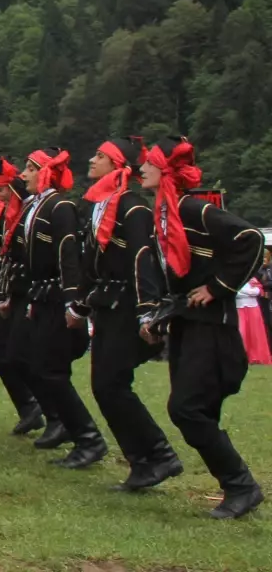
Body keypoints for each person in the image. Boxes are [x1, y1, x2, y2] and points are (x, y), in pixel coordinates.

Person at [140, 136, 264, 518]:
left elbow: (250, 238)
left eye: (148, 163)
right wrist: (159, 316)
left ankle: (241, 486)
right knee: (192, 409)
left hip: (212, 326)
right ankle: (238, 485)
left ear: (165, 171)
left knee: (187, 408)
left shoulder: (194, 210)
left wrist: (217, 287)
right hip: (188, 324)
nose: (140, 169)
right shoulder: (166, 215)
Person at [79, 137, 182, 490]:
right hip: (108, 304)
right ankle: (145, 460)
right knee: (104, 386)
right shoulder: (100, 203)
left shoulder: (132, 207)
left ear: (115, 164)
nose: (91, 161)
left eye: (99, 156)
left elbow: (143, 261)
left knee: (112, 384)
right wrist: (81, 302)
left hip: (127, 305)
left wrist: (147, 312)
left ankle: (158, 455)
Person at [17, 147, 107, 469]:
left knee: (51, 371)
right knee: (40, 367)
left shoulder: (61, 206)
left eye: (29, 169)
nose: (22, 174)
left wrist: (74, 302)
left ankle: (88, 437)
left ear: (45, 173)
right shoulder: (38, 206)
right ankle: (69, 427)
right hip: (42, 296)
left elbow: (69, 256)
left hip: (58, 298)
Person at [0, 159, 43, 436]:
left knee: (17, 354)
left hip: (22, 291)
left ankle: (44, 409)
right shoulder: (4, 215)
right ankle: (31, 406)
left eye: (0, 190)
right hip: (5, 291)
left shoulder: (23, 213)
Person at [237, 276, 272, 365]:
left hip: (253, 308)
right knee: (242, 332)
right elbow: (235, 294)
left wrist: (242, 291)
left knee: (255, 333)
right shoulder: (234, 279)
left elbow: (257, 291)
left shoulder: (252, 279)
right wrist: (249, 292)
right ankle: (242, 357)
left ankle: (257, 357)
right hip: (239, 308)